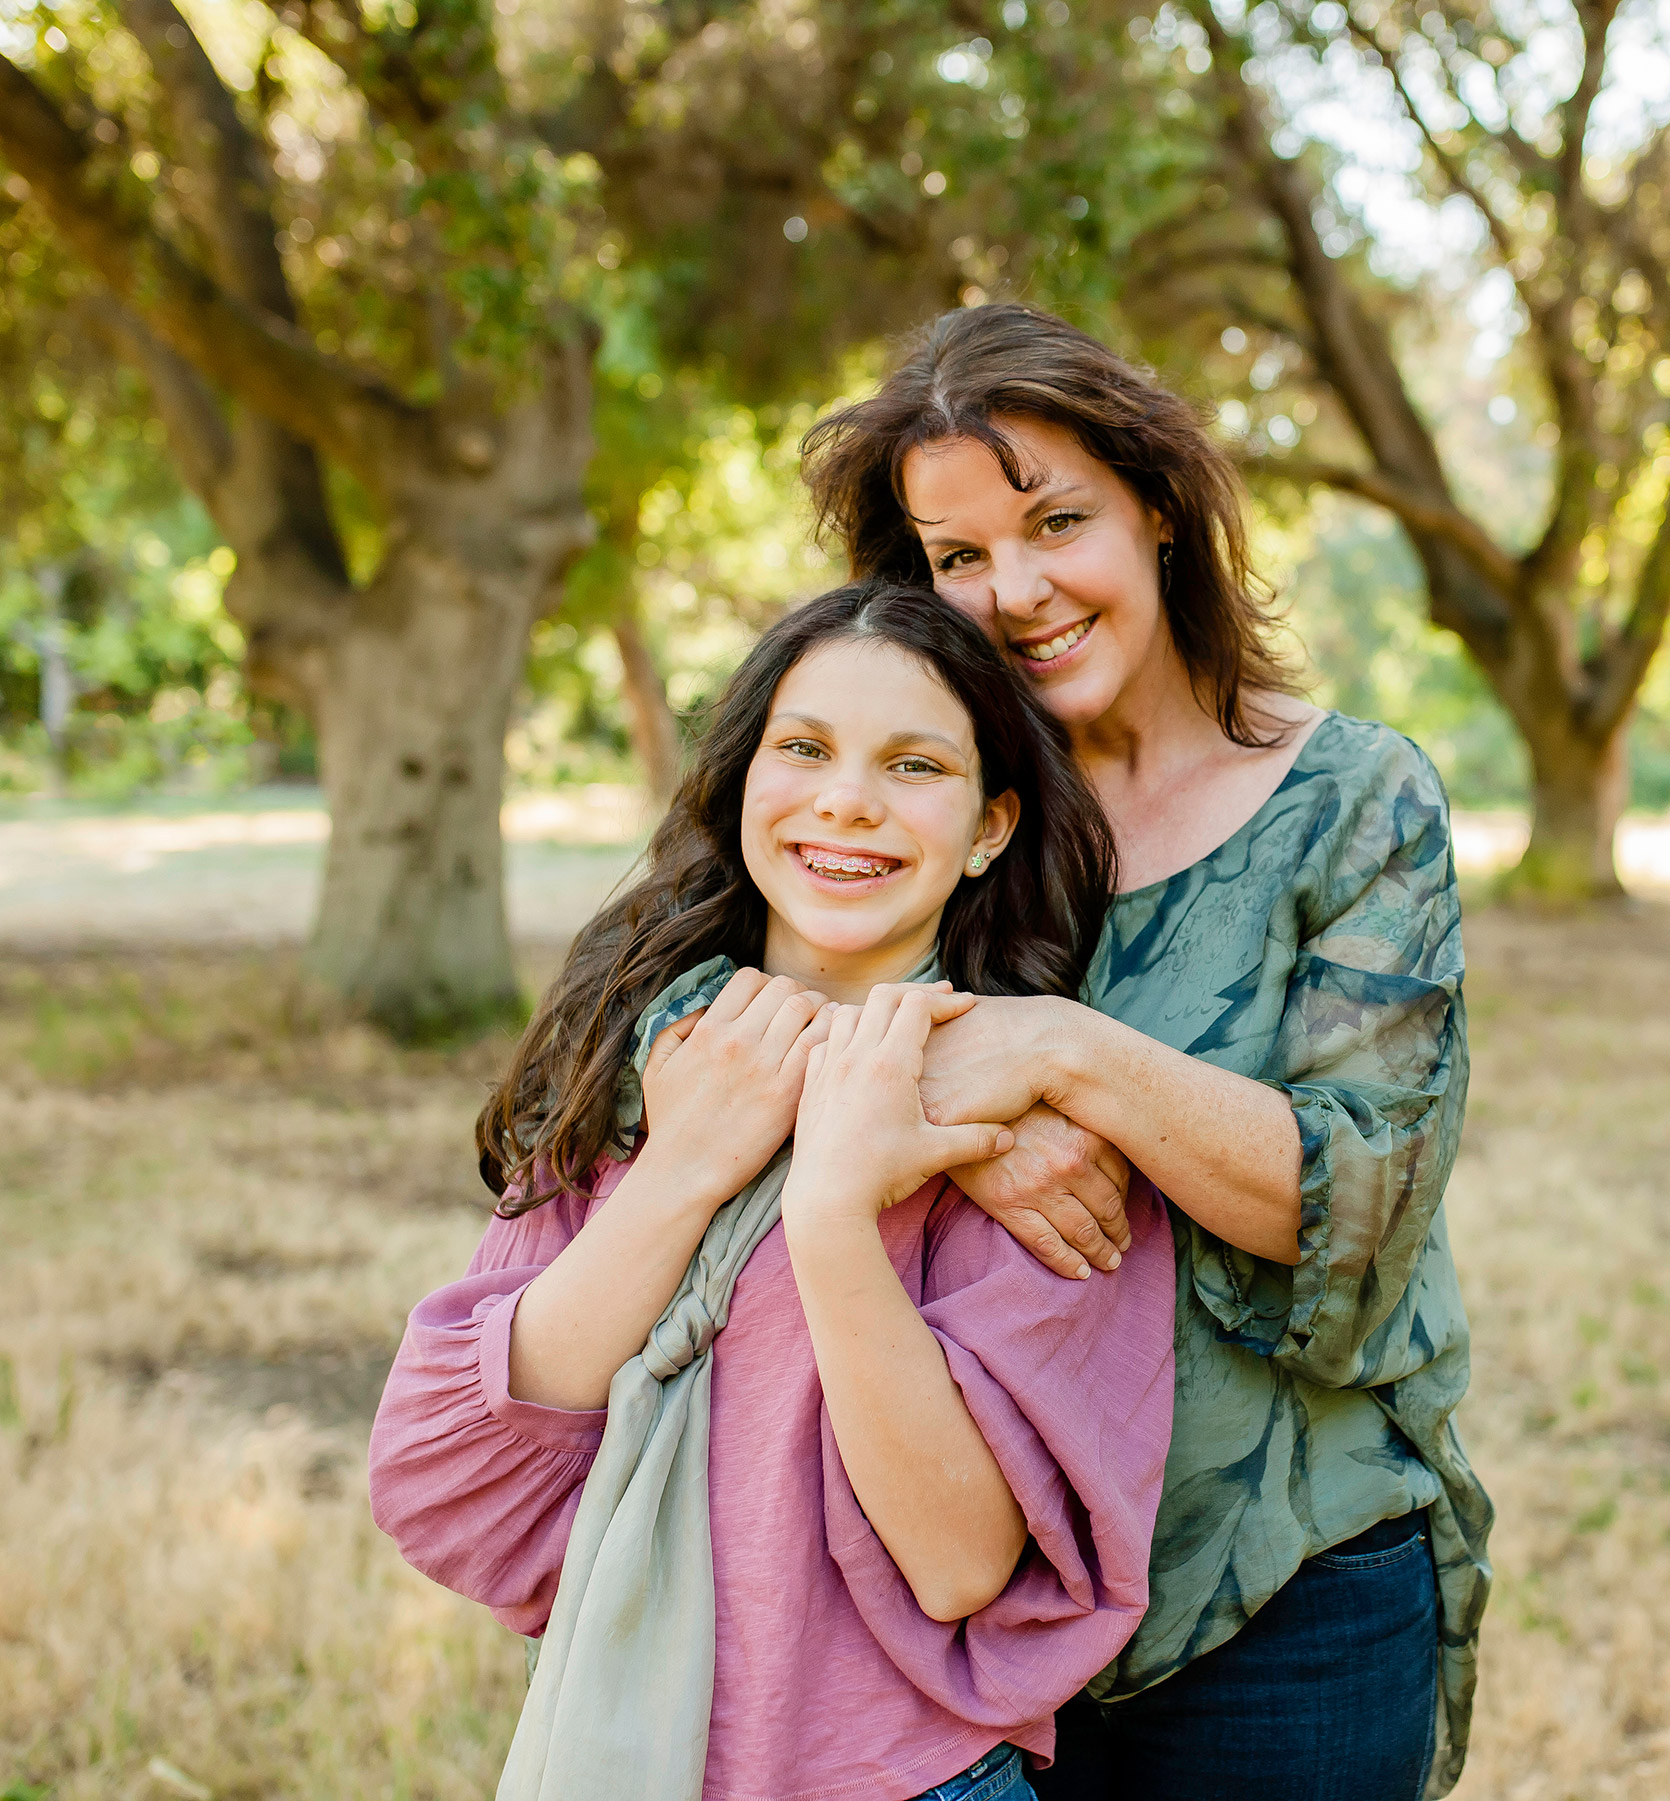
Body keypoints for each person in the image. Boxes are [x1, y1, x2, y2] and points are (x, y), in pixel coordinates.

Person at [800, 304, 1493, 1801]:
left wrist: (1065, 1056)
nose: (1018, 591)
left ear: (1162, 511)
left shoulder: (1351, 801)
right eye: (959, 557)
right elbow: (683, 1002)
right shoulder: (933, 799)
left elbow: (1359, 1212)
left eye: (1058, 522)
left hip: (1283, 1599)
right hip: (966, 1616)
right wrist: (969, 1118)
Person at [368, 583, 1176, 1801]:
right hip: (635, 1749)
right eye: (802, 748)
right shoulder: (640, 1053)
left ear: (990, 827)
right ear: (745, 779)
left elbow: (960, 1565)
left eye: (913, 765)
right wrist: (691, 1162)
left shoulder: (1031, 1136)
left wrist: (833, 1216)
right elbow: (442, 1478)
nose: (846, 799)